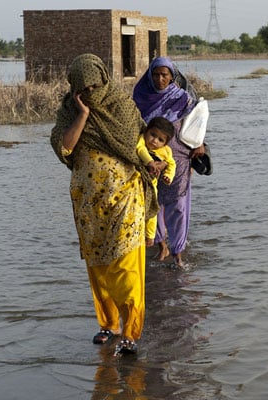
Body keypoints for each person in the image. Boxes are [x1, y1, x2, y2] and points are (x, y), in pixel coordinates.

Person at [50, 53, 159, 356]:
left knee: (125, 267)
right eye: (83, 89)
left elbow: (135, 146)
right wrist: (82, 115)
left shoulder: (123, 106)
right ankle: (109, 324)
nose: (90, 93)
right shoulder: (68, 112)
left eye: (94, 86)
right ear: (74, 88)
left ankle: (131, 332)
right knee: (99, 267)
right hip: (88, 205)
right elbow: (65, 148)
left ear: (104, 80)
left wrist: (152, 164)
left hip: (125, 199)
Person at [132, 56, 206, 268]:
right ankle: (161, 245)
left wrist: (200, 144)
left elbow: (195, 125)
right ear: (150, 75)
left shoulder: (182, 98)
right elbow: (134, 128)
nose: (160, 79)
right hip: (148, 159)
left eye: (165, 75)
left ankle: (178, 252)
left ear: (172, 77)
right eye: (156, 74)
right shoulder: (140, 96)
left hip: (179, 159)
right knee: (151, 202)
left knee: (178, 206)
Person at [136, 116, 176, 248]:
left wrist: (168, 176)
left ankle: (151, 236)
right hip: (136, 182)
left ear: (165, 143)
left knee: (152, 211)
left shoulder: (166, 151)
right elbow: (140, 149)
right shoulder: (141, 139)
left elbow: (171, 164)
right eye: (152, 135)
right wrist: (150, 162)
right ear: (146, 131)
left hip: (152, 184)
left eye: (160, 140)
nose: (154, 141)